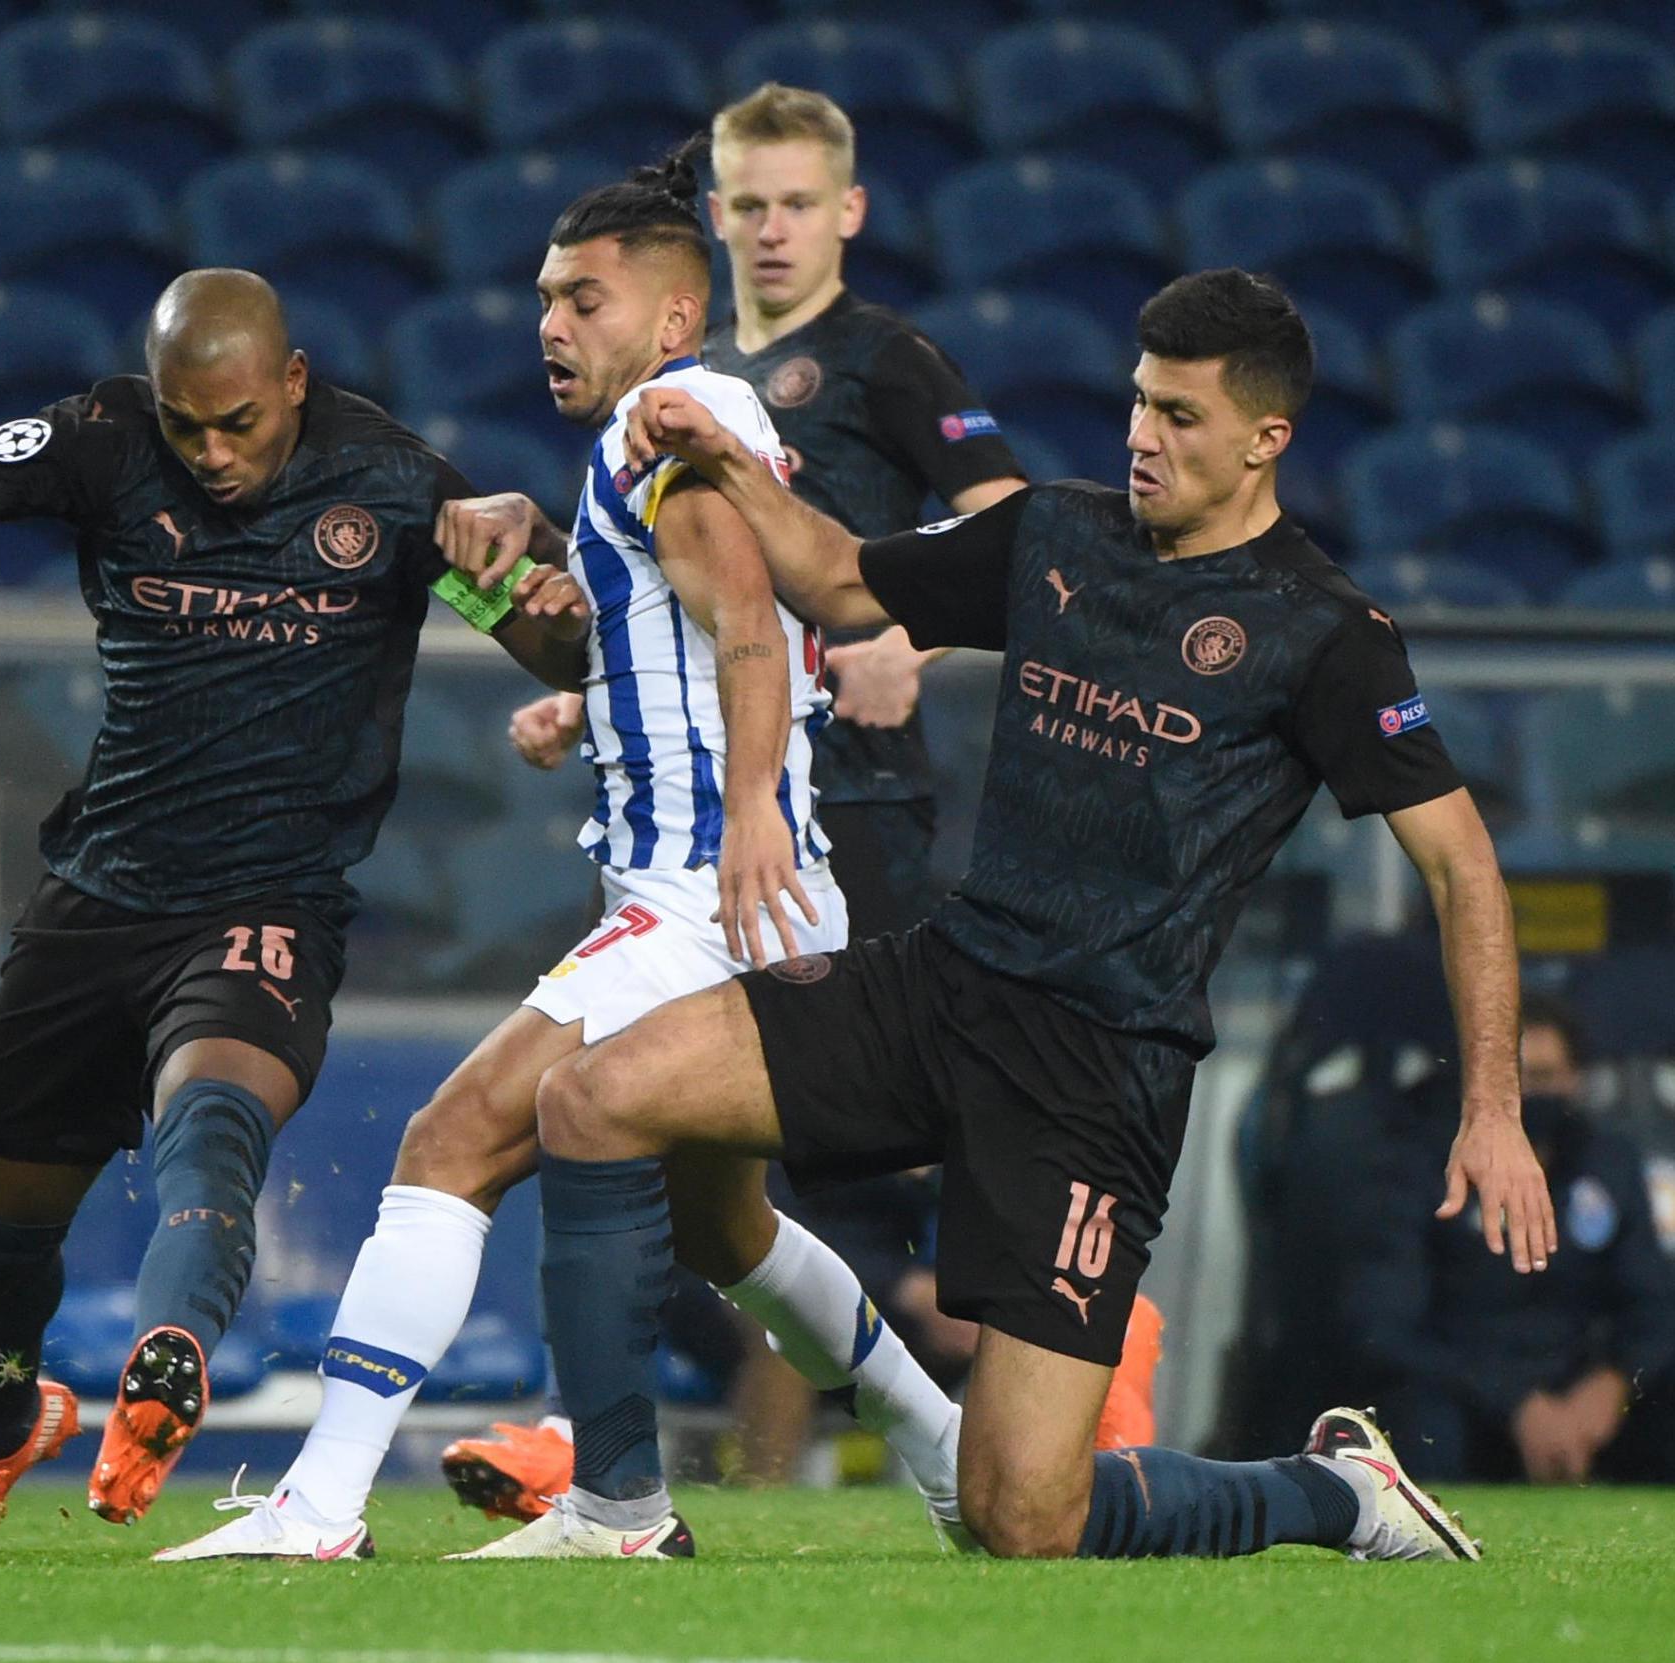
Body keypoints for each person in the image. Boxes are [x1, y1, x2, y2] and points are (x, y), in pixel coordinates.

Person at [459, 267, 1559, 1562]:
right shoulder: (1055, 534)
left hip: (1094, 1073)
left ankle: (1333, 1493)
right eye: (1139, 404)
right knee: (593, 1100)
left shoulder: (1324, 636)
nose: (1142, 437)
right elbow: (834, 576)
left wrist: (1491, 1108)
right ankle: (616, 1509)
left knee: (1021, 1516)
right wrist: (728, 462)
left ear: (1267, 438)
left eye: (1181, 417)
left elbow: (1461, 867)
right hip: (942, 981)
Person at [153, 152, 970, 1566]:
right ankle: (946, 1452)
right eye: (541, 296)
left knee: (447, 1140)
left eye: (581, 298)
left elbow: (743, 627)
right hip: (732, 886)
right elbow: (681, 641)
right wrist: (572, 689)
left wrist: (760, 799)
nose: (549, 323)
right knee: (727, 1229)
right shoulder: (654, 441)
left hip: (705, 894)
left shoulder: (669, 426)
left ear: (667, 318)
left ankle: (323, 1500)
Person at [0, 269, 591, 1550]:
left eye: (239, 420)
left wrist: (539, 583)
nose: (215, 451)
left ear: (294, 382)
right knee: (2, 1232)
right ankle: (12, 1427)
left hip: (272, 897)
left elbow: (565, 648)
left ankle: (163, 1364)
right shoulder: (107, 442)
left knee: (215, 1118)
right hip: (100, 895)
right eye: (191, 425)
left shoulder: (399, 491)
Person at [458, 83, 1168, 1512]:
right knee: (717, 1181)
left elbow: (1015, 535)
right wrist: (593, 695)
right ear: (712, 222)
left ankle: (1096, 1384)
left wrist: (906, 633)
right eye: (747, 205)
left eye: (797, 204)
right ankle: (739, 1461)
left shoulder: (886, 362)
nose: (771, 231)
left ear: (846, 212)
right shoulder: (674, 387)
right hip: (720, 811)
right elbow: (684, 608)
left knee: (867, 1152)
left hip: (851, 812)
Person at [1351, 993, 1675, 1484]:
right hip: (1465, 1391)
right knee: (1423, 1421)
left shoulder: (1607, 1163)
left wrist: (1612, 1386)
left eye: (1544, 1079)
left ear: (1575, 1080)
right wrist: (1515, 1402)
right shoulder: (1421, 1168)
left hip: (1580, 1392)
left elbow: (1651, 1305)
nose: (1528, 1097)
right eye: (1515, 1080)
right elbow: (1383, 1327)